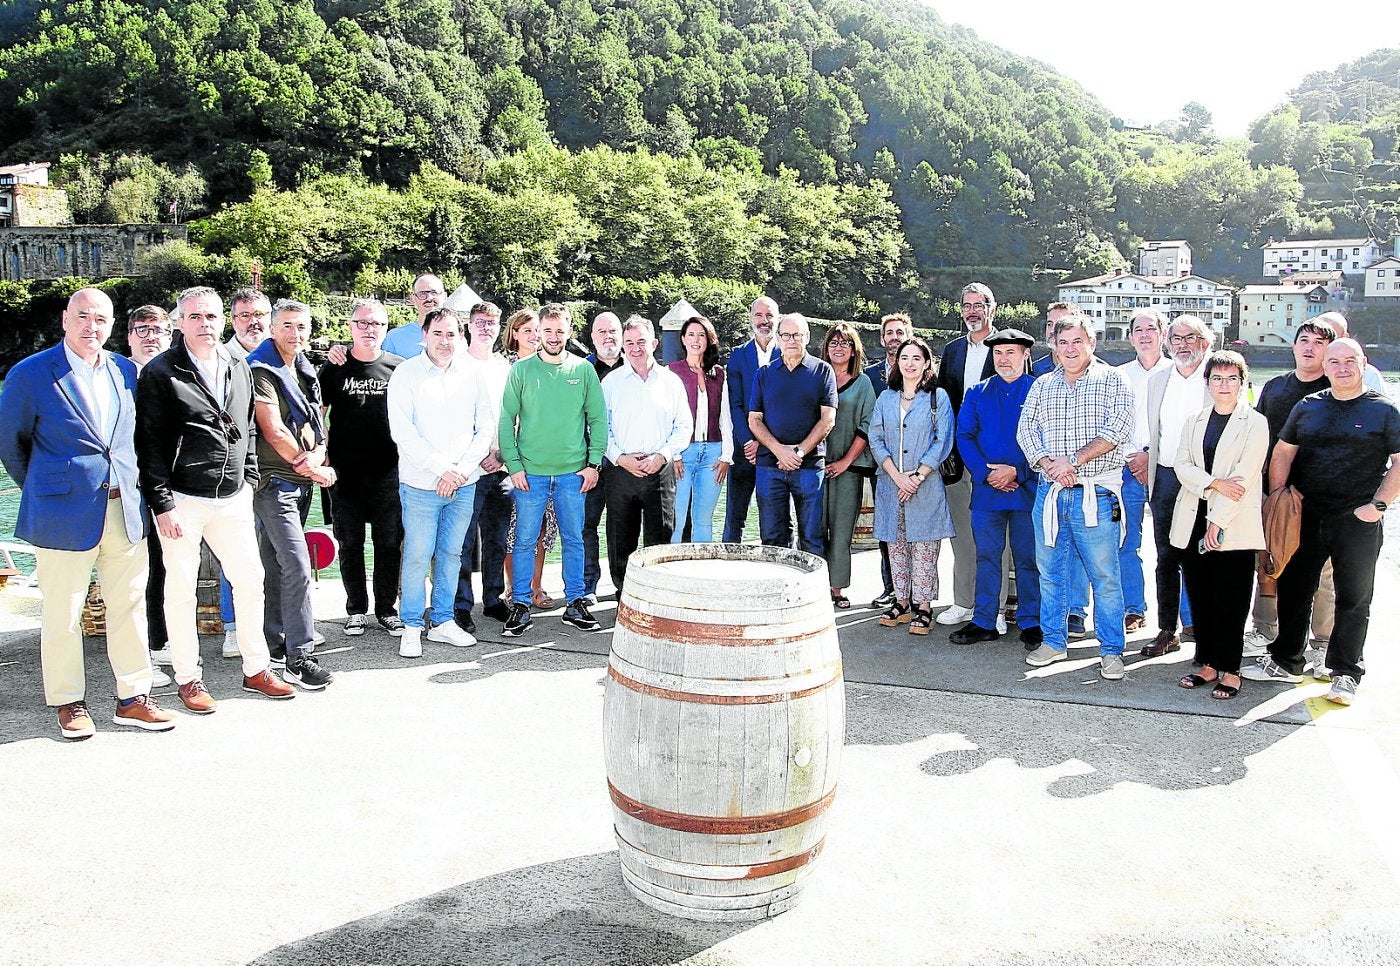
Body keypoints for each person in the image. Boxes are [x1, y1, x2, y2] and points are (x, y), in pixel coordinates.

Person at [0, 288, 177, 739]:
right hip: (61, 512)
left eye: (100, 319)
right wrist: (49, 488)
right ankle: (68, 702)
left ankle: (134, 697)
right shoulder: (30, 374)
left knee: (130, 606)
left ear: (112, 326)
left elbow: (133, 439)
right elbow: (12, 444)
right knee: (64, 612)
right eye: (82, 317)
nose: (91, 326)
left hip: (124, 507)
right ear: (65, 319)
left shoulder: (125, 371)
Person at [135, 286, 296, 711]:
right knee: (180, 591)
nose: (204, 324)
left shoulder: (237, 365)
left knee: (250, 582)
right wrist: (161, 503)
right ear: (179, 323)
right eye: (195, 317)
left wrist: (249, 478)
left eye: (210, 316)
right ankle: (188, 679)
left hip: (233, 497)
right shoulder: (160, 372)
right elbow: (148, 444)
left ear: (222, 320)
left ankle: (257, 668)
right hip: (182, 499)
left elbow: (247, 427)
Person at [1243, 338, 1400, 706]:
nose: (1342, 368)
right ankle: (1287, 661)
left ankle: (1345, 673)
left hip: (1357, 519)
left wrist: (1377, 505)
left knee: (1354, 598)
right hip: (1307, 515)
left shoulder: (1384, 410)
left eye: (1350, 361)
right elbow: (1283, 452)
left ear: (1363, 364)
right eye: (1335, 362)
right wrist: (1280, 496)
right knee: (1294, 589)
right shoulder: (1308, 406)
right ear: (1325, 367)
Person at [1016, 312, 1136, 680]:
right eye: (1063, 342)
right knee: (1050, 573)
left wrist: (1073, 461)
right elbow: (1026, 431)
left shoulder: (1114, 380)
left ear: (1092, 343)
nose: (1070, 349)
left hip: (1096, 493)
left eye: (1077, 342)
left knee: (1105, 577)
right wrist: (1049, 464)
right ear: (1053, 345)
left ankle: (1111, 651)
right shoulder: (1042, 385)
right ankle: (1054, 641)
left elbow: (1118, 429)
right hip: (1051, 494)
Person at [386, 307, 495, 657]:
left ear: (461, 337)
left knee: (451, 554)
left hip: (464, 483)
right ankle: (412, 625)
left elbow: (485, 427)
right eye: (437, 333)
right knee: (417, 555)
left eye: (451, 334)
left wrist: (461, 470)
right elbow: (403, 431)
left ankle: (443, 621)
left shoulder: (473, 375)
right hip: (421, 483)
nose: (444, 341)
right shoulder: (405, 374)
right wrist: (442, 469)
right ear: (425, 335)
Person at [498, 303, 608, 637]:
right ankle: (520, 604)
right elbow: (506, 419)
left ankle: (575, 602)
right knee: (525, 540)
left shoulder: (583, 370)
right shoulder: (521, 370)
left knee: (574, 539)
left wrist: (593, 464)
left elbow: (598, 419)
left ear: (569, 331)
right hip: (530, 473)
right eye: (548, 330)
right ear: (539, 332)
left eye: (560, 331)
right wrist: (514, 465)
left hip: (572, 473)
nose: (554, 337)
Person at [248, 300, 337, 690]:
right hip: (273, 484)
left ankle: (274, 643)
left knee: (277, 565)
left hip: (298, 484)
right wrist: (313, 467)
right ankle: (299, 658)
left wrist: (319, 452)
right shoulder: (261, 369)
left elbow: (317, 422)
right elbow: (273, 430)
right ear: (272, 329)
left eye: (301, 327)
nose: (295, 333)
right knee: (298, 566)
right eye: (286, 326)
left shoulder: (303, 369)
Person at [1170, 351, 1268, 701]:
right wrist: (1212, 483)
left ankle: (1230, 669)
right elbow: (1182, 465)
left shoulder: (1255, 422)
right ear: (1207, 382)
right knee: (1201, 595)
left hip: (1233, 523)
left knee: (1232, 598)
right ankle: (1207, 663)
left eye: (1231, 379)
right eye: (1217, 378)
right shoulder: (1194, 420)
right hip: (1193, 518)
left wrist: (1217, 522)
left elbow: (1243, 478)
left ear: (1242, 383)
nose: (1224, 385)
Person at [1245, 319, 1338, 668]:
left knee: (1324, 573)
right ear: (1294, 346)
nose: (1310, 347)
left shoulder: (1336, 388)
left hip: (1320, 495)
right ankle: (1265, 629)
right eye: (1304, 340)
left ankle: (1323, 641)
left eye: (1319, 342)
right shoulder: (1275, 387)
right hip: (1276, 491)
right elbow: (1258, 436)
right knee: (1269, 563)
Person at [319, 298, 405, 639]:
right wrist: (321, 454)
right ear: (351, 327)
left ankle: (386, 610)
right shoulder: (334, 367)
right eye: (363, 323)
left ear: (386, 328)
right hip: (345, 474)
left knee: (388, 544)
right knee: (350, 544)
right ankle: (355, 610)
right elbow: (318, 414)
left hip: (389, 472)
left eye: (377, 324)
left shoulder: (399, 368)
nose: (370, 329)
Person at [952, 328, 1041, 647]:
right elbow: (964, 436)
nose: (1004, 359)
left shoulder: (1039, 390)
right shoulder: (977, 392)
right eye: (998, 353)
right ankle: (984, 620)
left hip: (1026, 489)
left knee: (1028, 558)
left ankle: (1032, 620)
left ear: (1025, 355)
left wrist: (1017, 471)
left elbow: (1045, 437)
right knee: (987, 556)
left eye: (1011, 352)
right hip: (987, 490)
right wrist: (985, 473)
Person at [868, 337, 955, 634]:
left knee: (925, 548)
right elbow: (875, 438)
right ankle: (902, 601)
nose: (910, 363)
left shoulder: (937, 397)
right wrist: (897, 476)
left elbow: (942, 440)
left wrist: (916, 476)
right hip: (890, 483)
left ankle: (924, 606)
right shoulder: (885, 398)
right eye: (905, 357)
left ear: (927, 362)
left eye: (916, 358)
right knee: (896, 546)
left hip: (925, 484)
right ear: (897, 362)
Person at [601, 316, 691, 592]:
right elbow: (600, 428)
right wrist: (619, 458)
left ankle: (656, 595)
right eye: (629, 343)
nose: (635, 348)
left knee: (660, 539)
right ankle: (624, 595)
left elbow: (684, 426)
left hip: (659, 471)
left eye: (641, 341)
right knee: (620, 540)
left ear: (654, 343)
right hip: (621, 470)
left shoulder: (671, 382)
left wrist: (662, 455)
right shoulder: (611, 383)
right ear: (623, 346)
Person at [1140, 315, 1212, 658]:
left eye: (1190, 337)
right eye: (1176, 338)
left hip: (1206, 481)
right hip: (1166, 479)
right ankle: (1167, 630)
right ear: (1167, 343)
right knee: (1166, 558)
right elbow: (1153, 431)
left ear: (1205, 342)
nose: (1183, 345)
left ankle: (1208, 632)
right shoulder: (1159, 380)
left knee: (1206, 558)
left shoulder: (1218, 377)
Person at [748, 312, 837, 555]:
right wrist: (780, 451)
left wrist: (798, 452)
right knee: (772, 538)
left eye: (797, 335)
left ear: (807, 337)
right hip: (769, 466)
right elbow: (754, 420)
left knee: (812, 537)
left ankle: (813, 582)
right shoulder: (764, 374)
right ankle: (777, 581)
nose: (791, 340)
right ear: (778, 338)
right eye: (786, 335)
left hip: (809, 466)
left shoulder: (823, 371)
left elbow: (828, 419)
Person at [936, 283, 999, 626]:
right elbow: (943, 403)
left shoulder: (1007, 347)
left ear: (992, 308)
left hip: (995, 456)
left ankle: (995, 608)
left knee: (996, 536)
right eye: (967, 305)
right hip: (958, 457)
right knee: (960, 532)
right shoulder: (952, 350)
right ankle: (962, 601)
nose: (972, 311)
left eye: (979, 305)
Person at [217, 287, 272, 657]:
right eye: (244, 316)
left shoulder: (284, 354)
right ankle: (234, 627)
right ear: (233, 321)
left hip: (280, 469)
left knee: (277, 552)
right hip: (236, 472)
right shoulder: (220, 359)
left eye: (260, 315)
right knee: (234, 552)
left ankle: (275, 624)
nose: (253, 322)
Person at [453, 301, 513, 631]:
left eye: (491, 323)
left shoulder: (504, 367)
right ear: (469, 326)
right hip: (468, 470)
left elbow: (514, 415)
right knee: (462, 541)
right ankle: (461, 605)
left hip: (501, 468)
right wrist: (474, 457)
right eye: (480, 322)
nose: (486, 328)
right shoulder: (457, 364)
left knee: (497, 540)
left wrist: (502, 454)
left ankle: (492, 600)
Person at [125, 306, 174, 688]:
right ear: (128, 337)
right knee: (132, 576)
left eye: (158, 329)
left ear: (170, 336)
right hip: (125, 491)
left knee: (161, 568)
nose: (150, 336)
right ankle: (138, 657)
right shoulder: (117, 376)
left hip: (168, 489)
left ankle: (158, 642)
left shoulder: (176, 375)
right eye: (142, 329)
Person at [1115, 309, 1173, 634]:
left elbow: (1181, 424)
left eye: (1152, 329)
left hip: (1167, 469)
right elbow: (1112, 424)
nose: (1145, 335)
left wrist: (1151, 456)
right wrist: (1134, 458)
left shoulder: (1178, 373)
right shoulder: (1119, 376)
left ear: (1163, 334)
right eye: (1139, 330)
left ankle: (1184, 616)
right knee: (1127, 542)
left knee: (1173, 544)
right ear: (1130, 337)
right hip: (1127, 470)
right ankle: (1133, 608)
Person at [500, 308, 558, 607]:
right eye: (527, 330)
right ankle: (514, 587)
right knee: (516, 529)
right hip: (514, 462)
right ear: (514, 334)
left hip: (547, 460)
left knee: (542, 528)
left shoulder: (551, 365)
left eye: (538, 330)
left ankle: (536, 585)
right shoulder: (503, 368)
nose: (534, 336)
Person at [819, 323, 876, 608]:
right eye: (834, 342)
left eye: (845, 343)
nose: (839, 348)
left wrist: (845, 462)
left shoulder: (863, 383)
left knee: (842, 531)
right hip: (814, 467)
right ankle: (814, 586)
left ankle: (837, 588)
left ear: (854, 350)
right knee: (813, 529)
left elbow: (867, 425)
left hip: (848, 468)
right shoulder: (816, 378)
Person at [666, 315, 732, 544]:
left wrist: (727, 455)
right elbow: (667, 419)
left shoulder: (719, 374)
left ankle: (701, 565)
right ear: (683, 339)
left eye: (701, 335)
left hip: (713, 454)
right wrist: (673, 454)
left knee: (704, 520)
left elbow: (725, 417)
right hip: (683, 454)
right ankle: (673, 565)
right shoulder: (671, 371)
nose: (696, 340)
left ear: (708, 339)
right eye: (691, 334)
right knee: (676, 519)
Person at [723, 296, 780, 542]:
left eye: (769, 315)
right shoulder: (738, 355)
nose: (764, 320)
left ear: (777, 319)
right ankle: (727, 562)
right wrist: (748, 441)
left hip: (777, 449)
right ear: (750, 319)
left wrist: (768, 442)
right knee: (734, 517)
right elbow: (735, 404)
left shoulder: (788, 352)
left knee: (776, 518)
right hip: (743, 449)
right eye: (759, 315)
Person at [866, 313, 912, 608]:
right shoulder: (870, 375)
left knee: (915, 529)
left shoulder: (922, 373)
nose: (894, 337)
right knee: (887, 528)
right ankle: (891, 587)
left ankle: (916, 590)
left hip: (915, 465)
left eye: (900, 332)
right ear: (882, 339)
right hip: (882, 463)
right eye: (890, 333)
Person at [583, 311, 624, 600]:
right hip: (588, 462)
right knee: (585, 525)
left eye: (613, 332)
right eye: (602, 332)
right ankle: (587, 586)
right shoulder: (580, 370)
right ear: (592, 337)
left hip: (623, 461)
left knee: (621, 526)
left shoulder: (634, 366)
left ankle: (623, 585)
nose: (608, 337)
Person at [1315, 312, 1387, 396]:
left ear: (1345, 337)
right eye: (1318, 339)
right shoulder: (1305, 374)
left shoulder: (1368, 375)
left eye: (1330, 337)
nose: (1325, 343)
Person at [381, 273, 446, 358]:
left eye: (434, 292)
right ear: (413, 299)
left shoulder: (457, 338)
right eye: (422, 293)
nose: (429, 298)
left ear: (444, 296)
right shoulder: (394, 338)